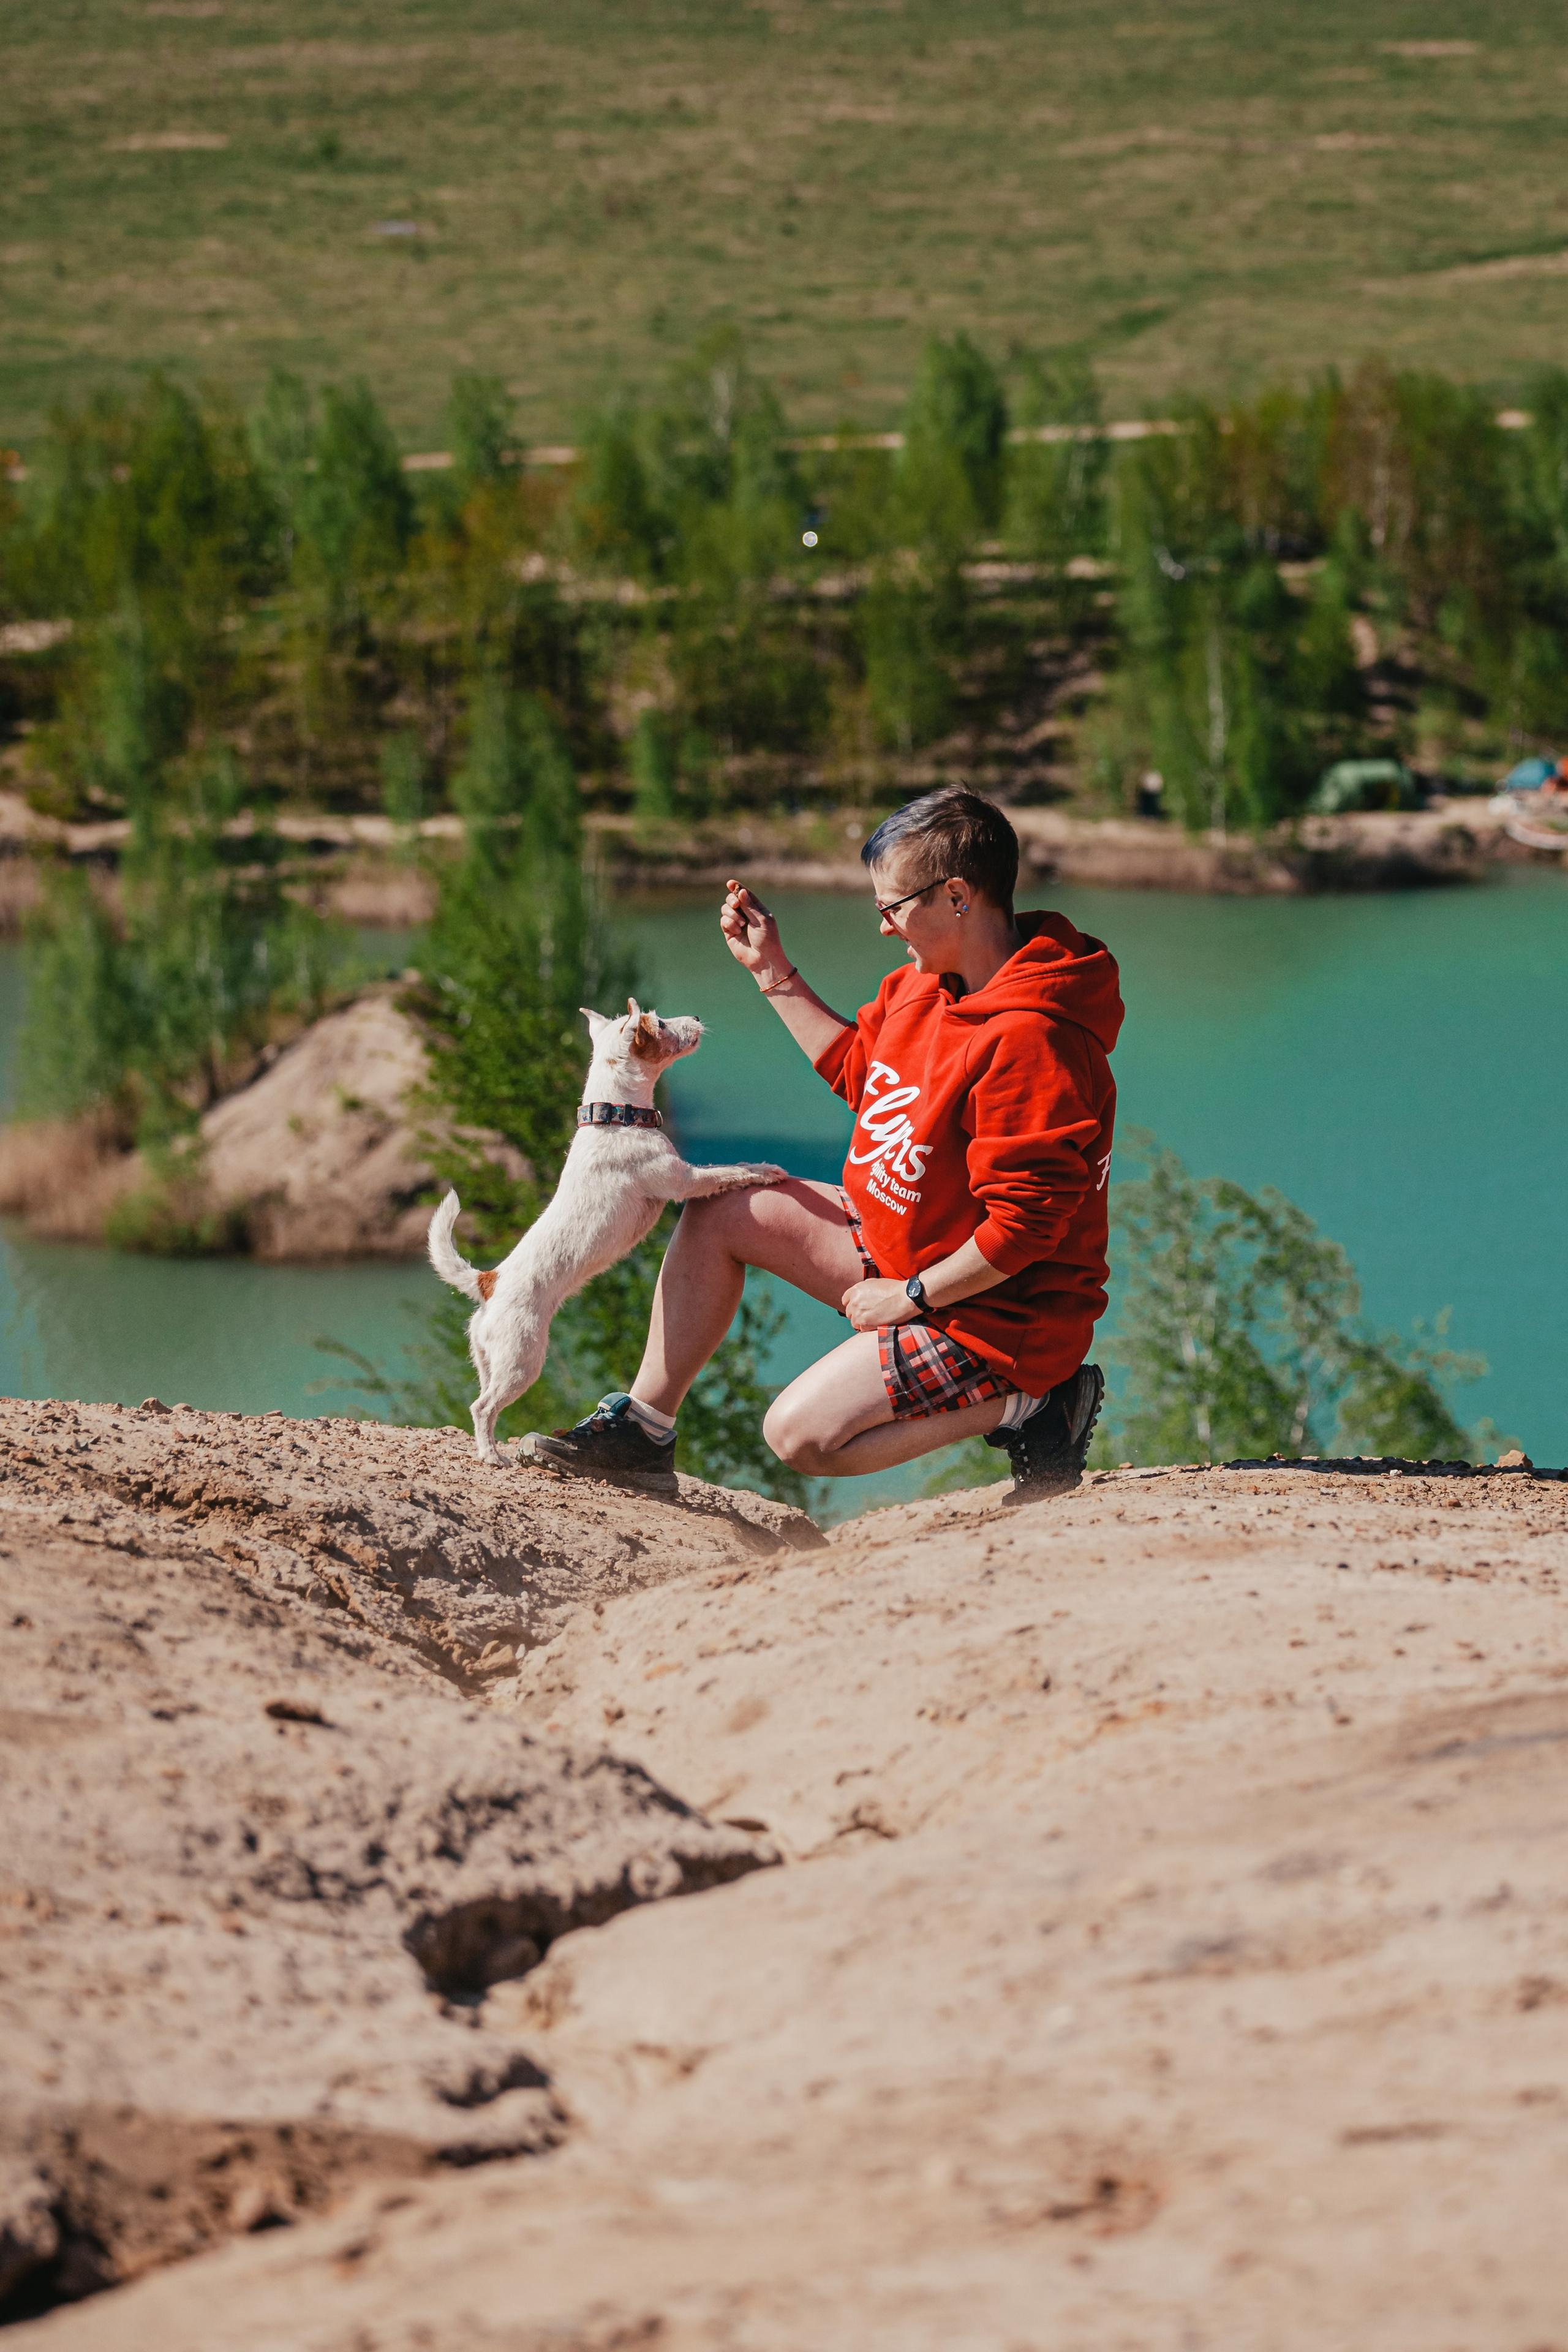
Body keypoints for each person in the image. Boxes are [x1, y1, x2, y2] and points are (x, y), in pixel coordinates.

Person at [531, 785, 1123, 1498]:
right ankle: (642, 1430)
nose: (884, 928)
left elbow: (1026, 1230)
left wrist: (910, 1297)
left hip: (999, 1311)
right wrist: (769, 970)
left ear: (958, 895)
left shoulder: (1034, 1039)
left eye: (892, 907)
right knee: (722, 1208)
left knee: (802, 1438)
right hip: (907, 1247)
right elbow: (864, 1076)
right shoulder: (925, 986)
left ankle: (1036, 1405)